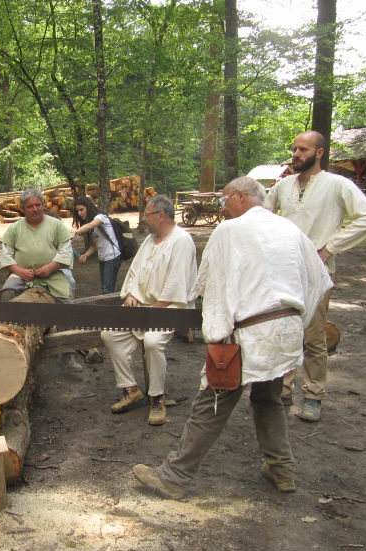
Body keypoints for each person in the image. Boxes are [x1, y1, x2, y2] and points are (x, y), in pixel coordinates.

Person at [132, 176, 333, 500]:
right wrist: (294, 326)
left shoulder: (229, 232)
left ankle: (174, 478)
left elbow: (215, 288)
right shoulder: (290, 230)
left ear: (241, 196)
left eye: (225, 199)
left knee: (209, 403)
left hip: (245, 338)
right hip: (285, 336)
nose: (222, 207)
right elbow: (318, 282)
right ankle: (281, 469)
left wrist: (215, 338)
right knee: (268, 400)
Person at [264, 130, 366, 422]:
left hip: (317, 272)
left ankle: (313, 394)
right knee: (285, 331)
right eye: (294, 149)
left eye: (303, 149)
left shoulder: (337, 184)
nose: (296, 154)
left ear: (319, 153)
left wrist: (330, 247)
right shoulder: (282, 186)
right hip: (284, 271)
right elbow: (261, 219)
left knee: (313, 338)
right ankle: (285, 388)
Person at [100, 195, 197, 424]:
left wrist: (154, 310)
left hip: (171, 307)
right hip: (144, 306)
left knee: (152, 342)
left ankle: (157, 398)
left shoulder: (181, 241)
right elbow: (134, 270)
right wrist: (132, 294)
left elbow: (176, 282)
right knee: (109, 334)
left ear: (161, 216)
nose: (143, 218)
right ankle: (130, 389)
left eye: (147, 214)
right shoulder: (150, 239)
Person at [0, 188, 81, 372]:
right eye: (30, 206)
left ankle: (68, 355)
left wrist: (51, 267)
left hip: (52, 276)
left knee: (67, 306)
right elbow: (5, 256)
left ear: (43, 205)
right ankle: (11, 347)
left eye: (38, 205)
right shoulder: (14, 229)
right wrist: (19, 271)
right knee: (7, 293)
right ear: (23, 209)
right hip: (21, 275)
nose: (35, 209)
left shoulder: (56, 225)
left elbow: (66, 251)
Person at [71, 197, 123, 294]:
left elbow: (90, 226)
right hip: (103, 259)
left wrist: (75, 232)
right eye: (77, 211)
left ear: (88, 207)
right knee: (105, 288)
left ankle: (111, 308)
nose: (79, 213)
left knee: (107, 290)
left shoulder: (100, 217)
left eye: (81, 209)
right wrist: (85, 255)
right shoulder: (90, 224)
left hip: (112, 257)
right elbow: (94, 245)